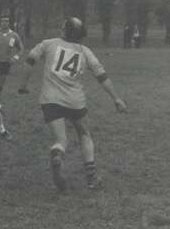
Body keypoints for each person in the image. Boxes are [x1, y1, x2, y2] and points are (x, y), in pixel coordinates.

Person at [17, 17, 127, 191]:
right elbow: (102, 78)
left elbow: (29, 61)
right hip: (75, 101)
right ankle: (91, 178)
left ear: (64, 30)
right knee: (84, 134)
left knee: (61, 139)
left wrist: (23, 86)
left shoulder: (48, 44)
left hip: (50, 99)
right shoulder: (85, 51)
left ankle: (58, 151)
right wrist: (116, 99)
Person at [0, 15, 24, 140]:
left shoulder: (14, 35)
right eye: (3, 21)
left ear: (10, 22)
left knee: (0, 86)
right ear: (0, 22)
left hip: (5, 63)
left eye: (7, 21)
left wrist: (15, 57)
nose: (4, 23)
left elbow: (20, 49)